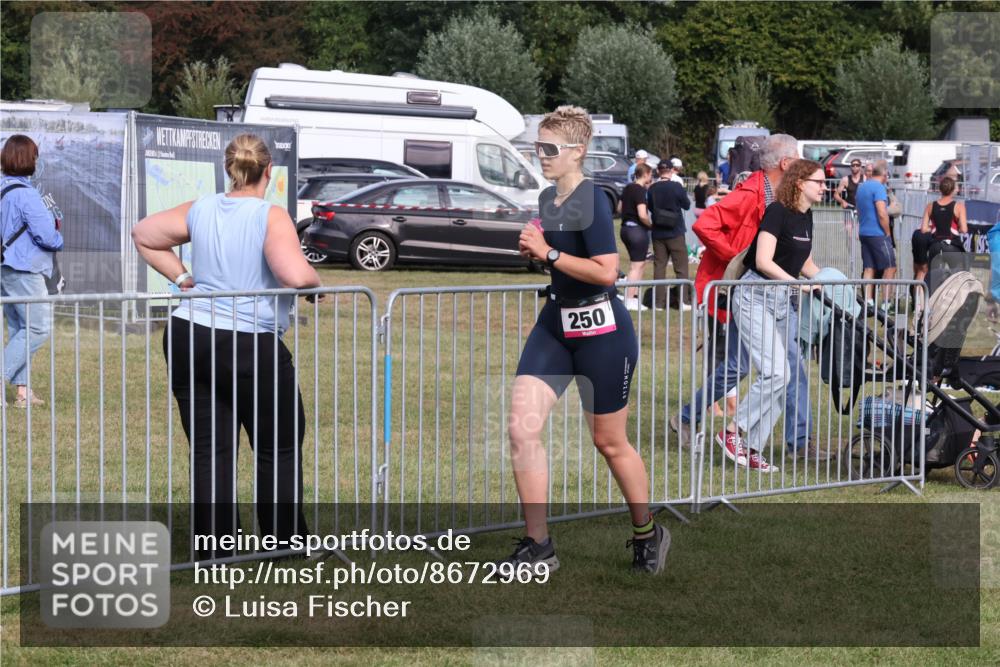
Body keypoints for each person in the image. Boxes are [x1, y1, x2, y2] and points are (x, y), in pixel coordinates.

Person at [131, 133, 321, 559]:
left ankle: (216, 551)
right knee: (279, 444)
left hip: (189, 335)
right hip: (249, 340)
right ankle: (285, 544)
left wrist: (182, 278)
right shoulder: (270, 216)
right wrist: (316, 283)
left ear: (228, 169)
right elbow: (295, 275)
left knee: (210, 448)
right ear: (269, 172)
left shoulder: (201, 207)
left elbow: (143, 233)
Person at [506, 106, 670, 574]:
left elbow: (607, 271)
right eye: (538, 147)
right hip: (556, 325)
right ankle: (538, 546)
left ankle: (647, 531)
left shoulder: (594, 198)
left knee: (609, 441)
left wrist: (549, 252)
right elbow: (557, 260)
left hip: (603, 334)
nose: (542, 156)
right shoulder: (546, 199)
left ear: (578, 152)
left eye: (551, 149)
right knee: (522, 429)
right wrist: (535, 254)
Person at [671, 134, 829, 462]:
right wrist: (738, 257)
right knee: (754, 366)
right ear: (787, 165)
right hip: (750, 290)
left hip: (773, 293)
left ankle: (795, 441)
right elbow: (705, 224)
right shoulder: (750, 194)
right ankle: (737, 432)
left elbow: (798, 256)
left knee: (771, 365)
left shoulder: (790, 204)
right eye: (798, 157)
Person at [729, 159, 825, 471]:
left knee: (783, 377)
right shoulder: (777, 213)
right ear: (800, 182)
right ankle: (733, 432)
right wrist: (799, 285)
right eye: (819, 182)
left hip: (782, 299)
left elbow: (804, 263)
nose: (824, 187)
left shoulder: (806, 216)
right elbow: (764, 260)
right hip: (754, 296)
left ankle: (752, 447)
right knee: (776, 373)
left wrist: (834, 283)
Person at [1, 134, 63, 408]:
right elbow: (48, 236)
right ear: (29, 160)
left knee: (19, 328)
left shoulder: (2, 189)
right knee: (38, 328)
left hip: (5, 269)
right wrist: (59, 236)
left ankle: (23, 395)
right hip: (25, 269)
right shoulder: (27, 195)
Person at [648, 160, 691, 310]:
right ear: (671, 171)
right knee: (681, 268)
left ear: (658, 171)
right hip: (675, 231)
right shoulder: (676, 187)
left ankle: (658, 303)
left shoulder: (652, 188)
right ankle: (683, 301)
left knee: (659, 267)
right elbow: (687, 204)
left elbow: (651, 208)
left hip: (658, 232)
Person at [912, 176, 968, 282]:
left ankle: (929, 298)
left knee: (933, 279)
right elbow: (964, 229)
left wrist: (935, 227)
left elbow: (923, 229)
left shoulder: (930, 206)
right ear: (953, 190)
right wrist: (957, 228)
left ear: (940, 190)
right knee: (958, 278)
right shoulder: (959, 206)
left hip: (936, 246)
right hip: (952, 246)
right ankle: (953, 297)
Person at [855, 160, 896, 305]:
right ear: (884, 174)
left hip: (864, 232)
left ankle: (868, 302)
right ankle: (886, 303)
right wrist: (887, 233)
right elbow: (882, 213)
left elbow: (859, 210)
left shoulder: (862, 187)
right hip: (878, 234)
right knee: (890, 267)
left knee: (868, 267)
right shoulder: (879, 188)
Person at [618, 162, 653, 310]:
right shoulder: (639, 190)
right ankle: (630, 299)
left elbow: (619, 207)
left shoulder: (627, 188)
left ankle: (635, 296)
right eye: (651, 174)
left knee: (641, 264)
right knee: (636, 266)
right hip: (636, 230)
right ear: (645, 174)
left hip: (625, 229)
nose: (651, 177)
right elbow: (642, 214)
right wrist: (651, 225)